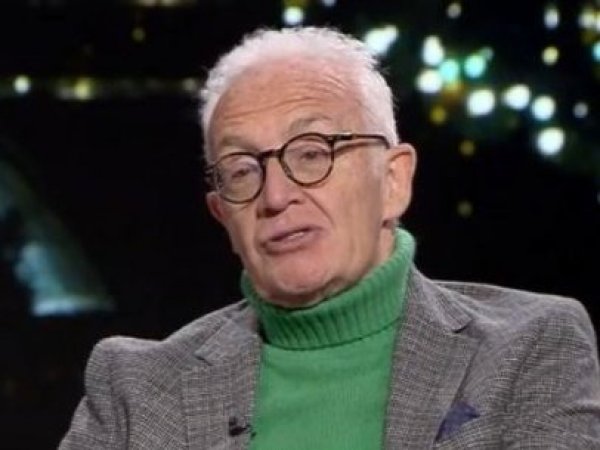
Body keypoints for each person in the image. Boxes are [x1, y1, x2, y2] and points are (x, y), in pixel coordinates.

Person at [60, 27, 600, 449]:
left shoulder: (530, 347)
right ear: (222, 215)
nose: (276, 196)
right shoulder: (137, 388)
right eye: (242, 170)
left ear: (393, 181)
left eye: (312, 153)